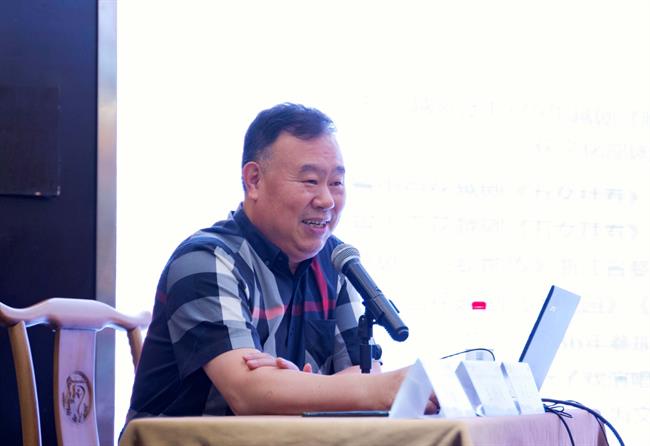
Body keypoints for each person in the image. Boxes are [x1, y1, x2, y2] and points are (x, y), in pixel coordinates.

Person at [125, 103, 436, 425]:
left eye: (336, 183)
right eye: (310, 181)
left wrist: (296, 385)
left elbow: (365, 371)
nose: (327, 200)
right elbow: (248, 393)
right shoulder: (205, 261)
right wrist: (289, 387)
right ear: (254, 180)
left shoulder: (335, 259)